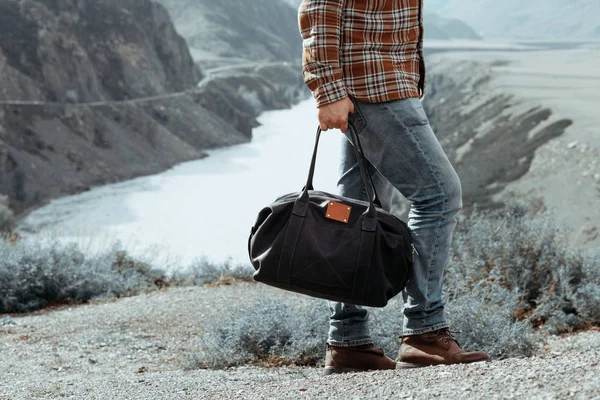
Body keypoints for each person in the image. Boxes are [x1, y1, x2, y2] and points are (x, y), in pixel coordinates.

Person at [298, 0, 489, 374]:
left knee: (351, 213)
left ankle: (348, 340)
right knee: (439, 195)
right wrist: (326, 88)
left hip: (378, 82)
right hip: (373, 85)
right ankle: (424, 331)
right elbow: (319, 6)